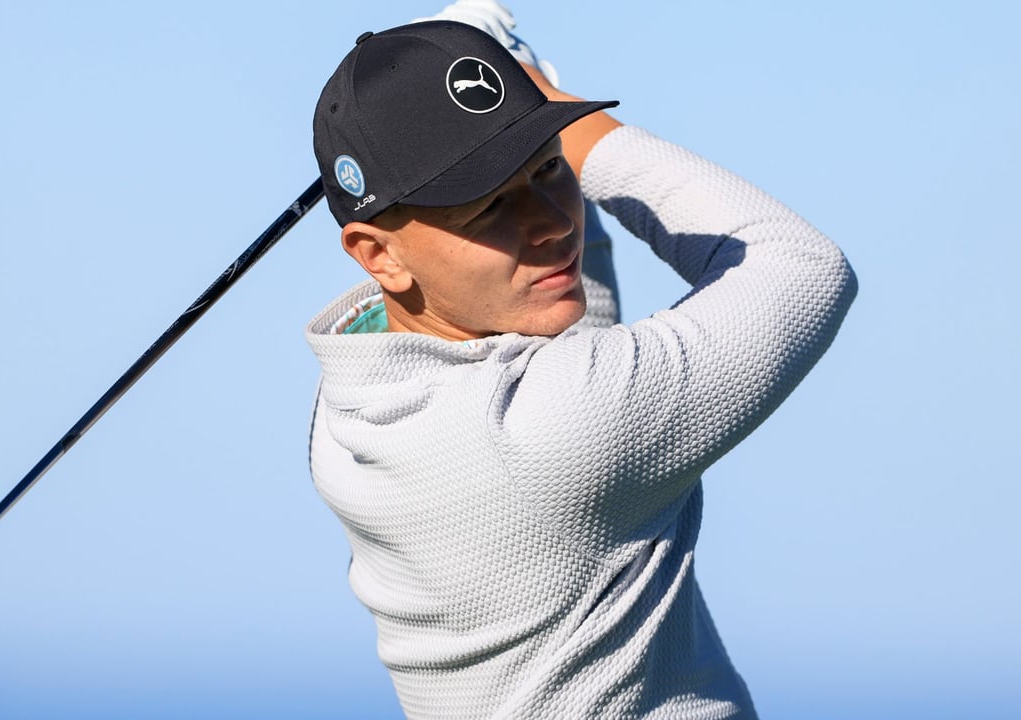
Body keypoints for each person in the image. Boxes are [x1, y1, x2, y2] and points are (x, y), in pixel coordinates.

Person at [305, 4, 857, 718]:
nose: (552, 222)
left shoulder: (348, 409)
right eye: (488, 208)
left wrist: (493, 98)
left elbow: (561, 304)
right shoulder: (552, 427)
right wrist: (555, 106)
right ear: (377, 254)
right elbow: (801, 267)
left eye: (546, 168)